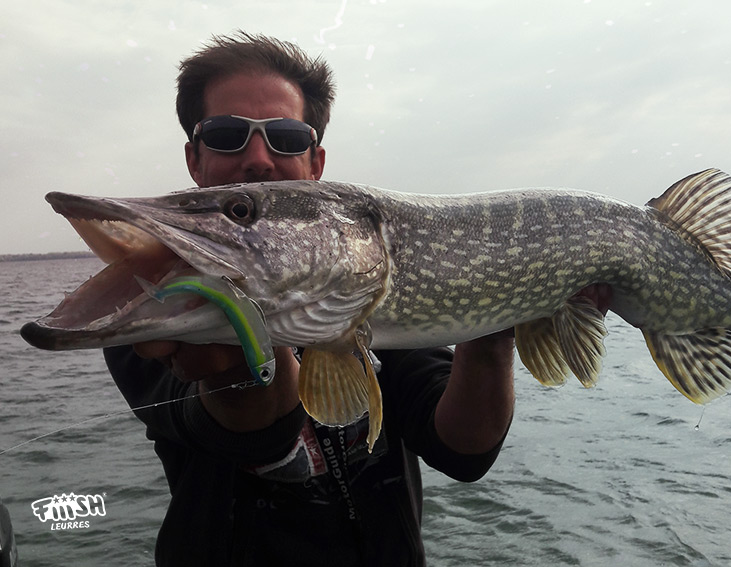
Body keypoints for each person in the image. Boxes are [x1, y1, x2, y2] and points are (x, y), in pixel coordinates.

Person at [103, 32, 516, 566]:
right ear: (194, 158)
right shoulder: (151, 303)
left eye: (286, 137)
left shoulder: (373, 282)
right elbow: (256, 434)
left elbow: (463, 450)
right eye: (227, 136)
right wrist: (244, 343)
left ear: (315, 161)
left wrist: (494, 327)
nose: (258, 159)